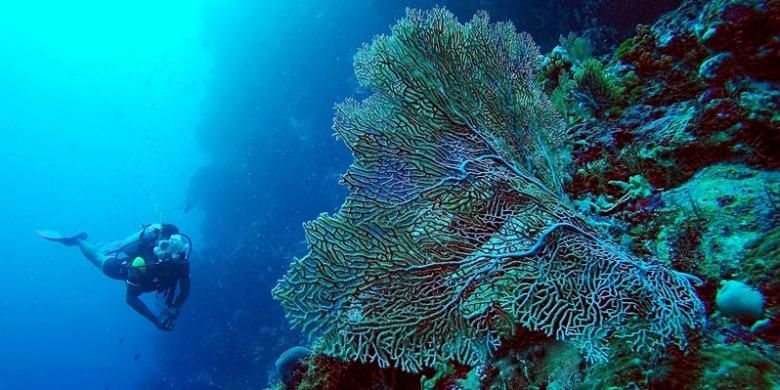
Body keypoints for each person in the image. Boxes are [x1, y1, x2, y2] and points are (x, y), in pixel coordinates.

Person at [39, 223, 191, 331]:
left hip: (151, 278)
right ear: (156, 243)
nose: (167, 252)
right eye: (163, 246)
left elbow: (184, 290)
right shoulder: (141, 263)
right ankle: (77, 241)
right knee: (97, 258)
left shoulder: (181, 262)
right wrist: (155, 320)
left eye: (173, 247)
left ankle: (113, 243)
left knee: (110, 249)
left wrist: (172, 310)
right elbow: (130, 298)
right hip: (126, 269)